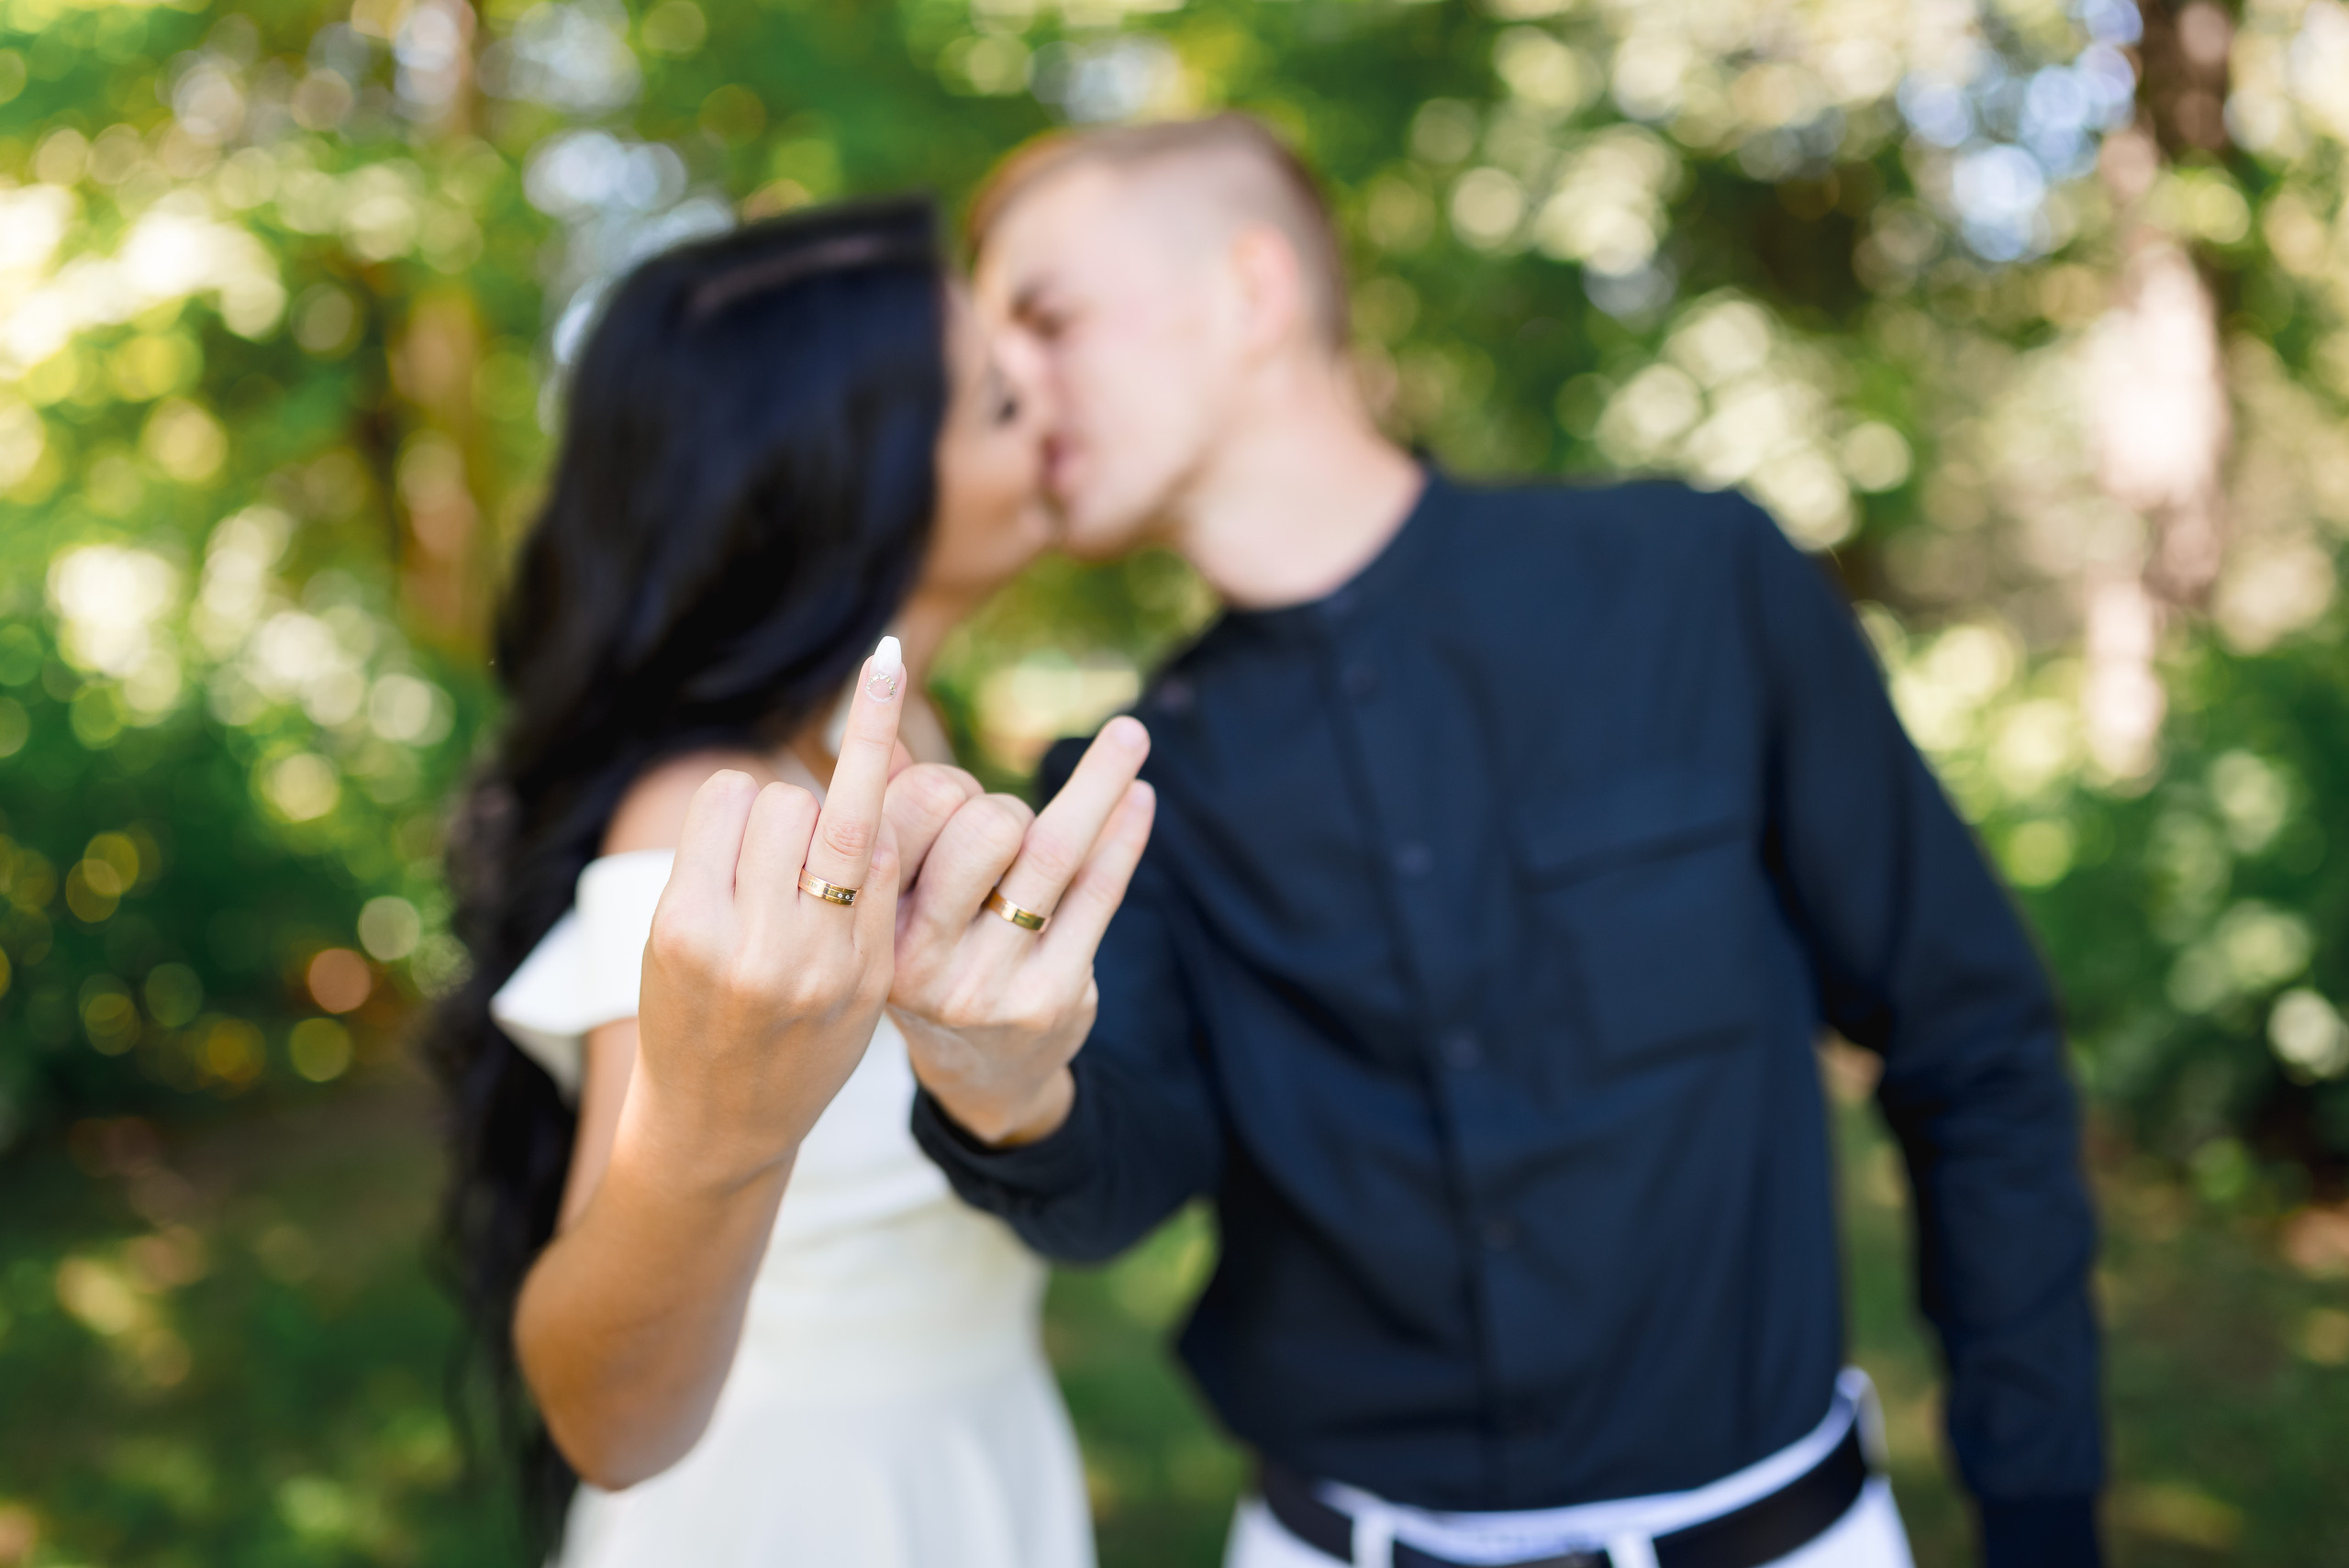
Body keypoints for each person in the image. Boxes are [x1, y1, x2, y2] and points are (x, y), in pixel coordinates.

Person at [879, 116, 2106, 1568]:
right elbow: (1117, 1177)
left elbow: (1974, 1047)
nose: (1008, 377)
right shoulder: (1120, 781)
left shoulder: (1696, 584)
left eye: (1048, 315)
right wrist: (999, 1083)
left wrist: (2040, 1509)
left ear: (1251, 293)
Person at [429, 198, 1149, 1568]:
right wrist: (713, 1125)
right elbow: (607, 1416)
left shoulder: (910, 744)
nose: (1049, 400)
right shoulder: (717, 821)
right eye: (999, 399)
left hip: (981, 1454)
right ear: (861, 486)